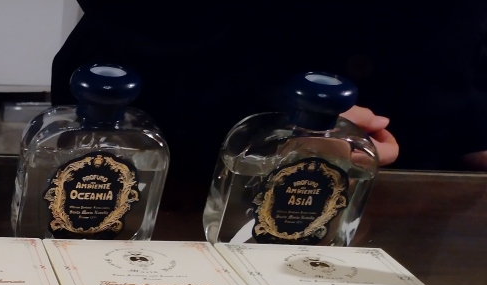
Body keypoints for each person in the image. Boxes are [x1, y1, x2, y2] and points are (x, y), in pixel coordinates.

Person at [50, 2, 487, 180]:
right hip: (188, 152)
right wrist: (281, 119)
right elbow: (136, 26)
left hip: (415, 178)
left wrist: (471, 129)